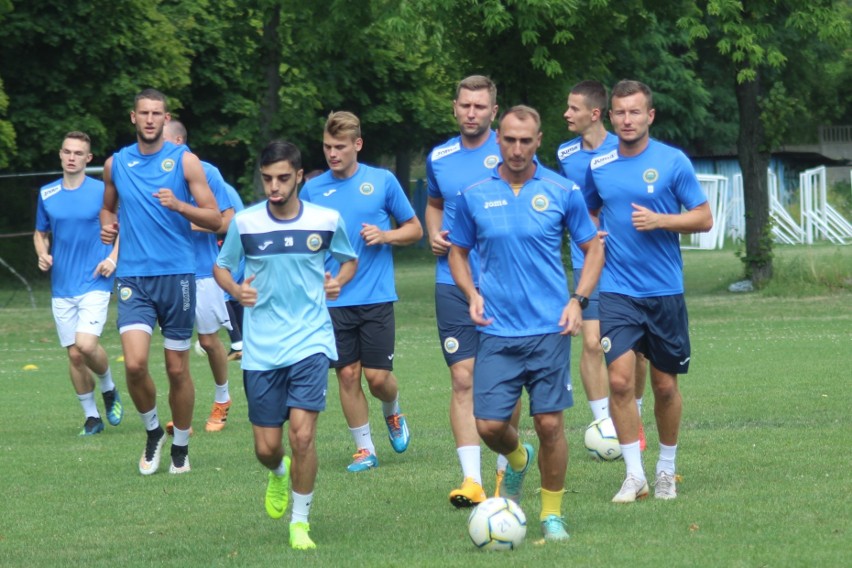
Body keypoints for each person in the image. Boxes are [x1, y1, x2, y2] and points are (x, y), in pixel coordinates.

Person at [448, 105, 604, 542]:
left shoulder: (561, 189)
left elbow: (593, 249)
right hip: (496, 329)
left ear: (538, 141)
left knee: (551, 424)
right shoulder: (474, 194)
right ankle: (518, 459)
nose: (517, 149)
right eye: (510, 140)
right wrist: (472, 294)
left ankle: (551, 513)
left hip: (550, 329)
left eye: (526, 141)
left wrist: (578, 301)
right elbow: (457, 251)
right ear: (499, 139)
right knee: (489, 427)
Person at [214, 140, 357, 550]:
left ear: (298, 176)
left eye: (281, 178)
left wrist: (338, 281)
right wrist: (236, 291)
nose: (273, 187)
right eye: (267, 179)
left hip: (311, 339)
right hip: (261, 347)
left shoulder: (326, 220)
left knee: (303, 436)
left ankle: (300, 523)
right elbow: (221, 267)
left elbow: (348, 259)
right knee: (267, 448)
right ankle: (278, 473)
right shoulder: (246, 223)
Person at [585, 80, 712, 502]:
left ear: (649, 116)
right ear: (610, 116)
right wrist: (592, 239)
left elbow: (704, 217)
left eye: (634, 112)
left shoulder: (673, 162)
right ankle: (634, 473)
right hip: (617, 289)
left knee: (664, 387)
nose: (626, 119)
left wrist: (662, 221)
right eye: (619, 112)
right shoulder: (599, 165)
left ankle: (665, 469)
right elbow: (586, 211)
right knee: (620, 382)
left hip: (664, 291)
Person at [100, 88, 222, 476]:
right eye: (144, 113)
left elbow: (215, 218)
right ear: (133, 117)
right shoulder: (115, 164)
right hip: (134, 277)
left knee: (176, 369)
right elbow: (107, 207)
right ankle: (154, 432)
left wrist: (180, 205)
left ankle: (181, 448)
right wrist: (107, 225)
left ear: (166, 119)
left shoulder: (185, 162)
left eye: (158, 113)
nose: (151, 119)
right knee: (135, 366)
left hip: (177, 276)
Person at [300, 111, 423, 472]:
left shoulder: (382, 182)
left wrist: (386, 235)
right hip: (334, 298)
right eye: (327, 147)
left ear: (358, 145)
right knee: (348, 375)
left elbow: (414, 229)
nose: (332, 154)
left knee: (377, 378)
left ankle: (393, 410)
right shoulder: (313, 189)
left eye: (339, 147)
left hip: (376, 296)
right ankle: (365, 449)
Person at [425, 75, 517, 507]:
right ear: (455, 107)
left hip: (503, 283)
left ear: (493, 112)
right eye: (465, 105)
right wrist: (432, 234)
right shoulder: (439, 157)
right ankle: (471, 480)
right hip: (452, 281)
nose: (471, 113)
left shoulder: (510, 152)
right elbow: (435, 204)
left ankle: (506, 471)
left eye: (480, 106)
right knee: (463, 379)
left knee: (503, 381)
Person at [557, 80, 649, 449]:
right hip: (587, 260)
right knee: (592, 344)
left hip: (627, 263)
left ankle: (635, 415)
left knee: (637, 351)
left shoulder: (622, 149)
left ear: (595, 114)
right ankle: (603, 426)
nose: (567, 114)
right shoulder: (565, 155)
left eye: (573, 108)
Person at [34, 131, 123, 436]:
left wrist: (112, 258)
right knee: (74, 354)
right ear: (60, 155)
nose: (72, 157)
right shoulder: (47, 194)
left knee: (86, 345)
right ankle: (92, 417)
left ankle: (109, 386)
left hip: (95, 280)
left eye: (78, 153)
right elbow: (40, 233)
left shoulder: (102, 192)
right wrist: (42, 254)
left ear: (88, 158)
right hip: (62, 286)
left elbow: (121, 229)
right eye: (67, 152)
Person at [163, 120, 236, 433]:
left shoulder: (207, 172)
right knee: (175, 348)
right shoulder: (152, 175)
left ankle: (223, 399)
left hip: (203, 271)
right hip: (167, 272)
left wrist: (185, 221)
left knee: (207, 341)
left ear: (179, 141)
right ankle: (183, 420)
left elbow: (227, 222)